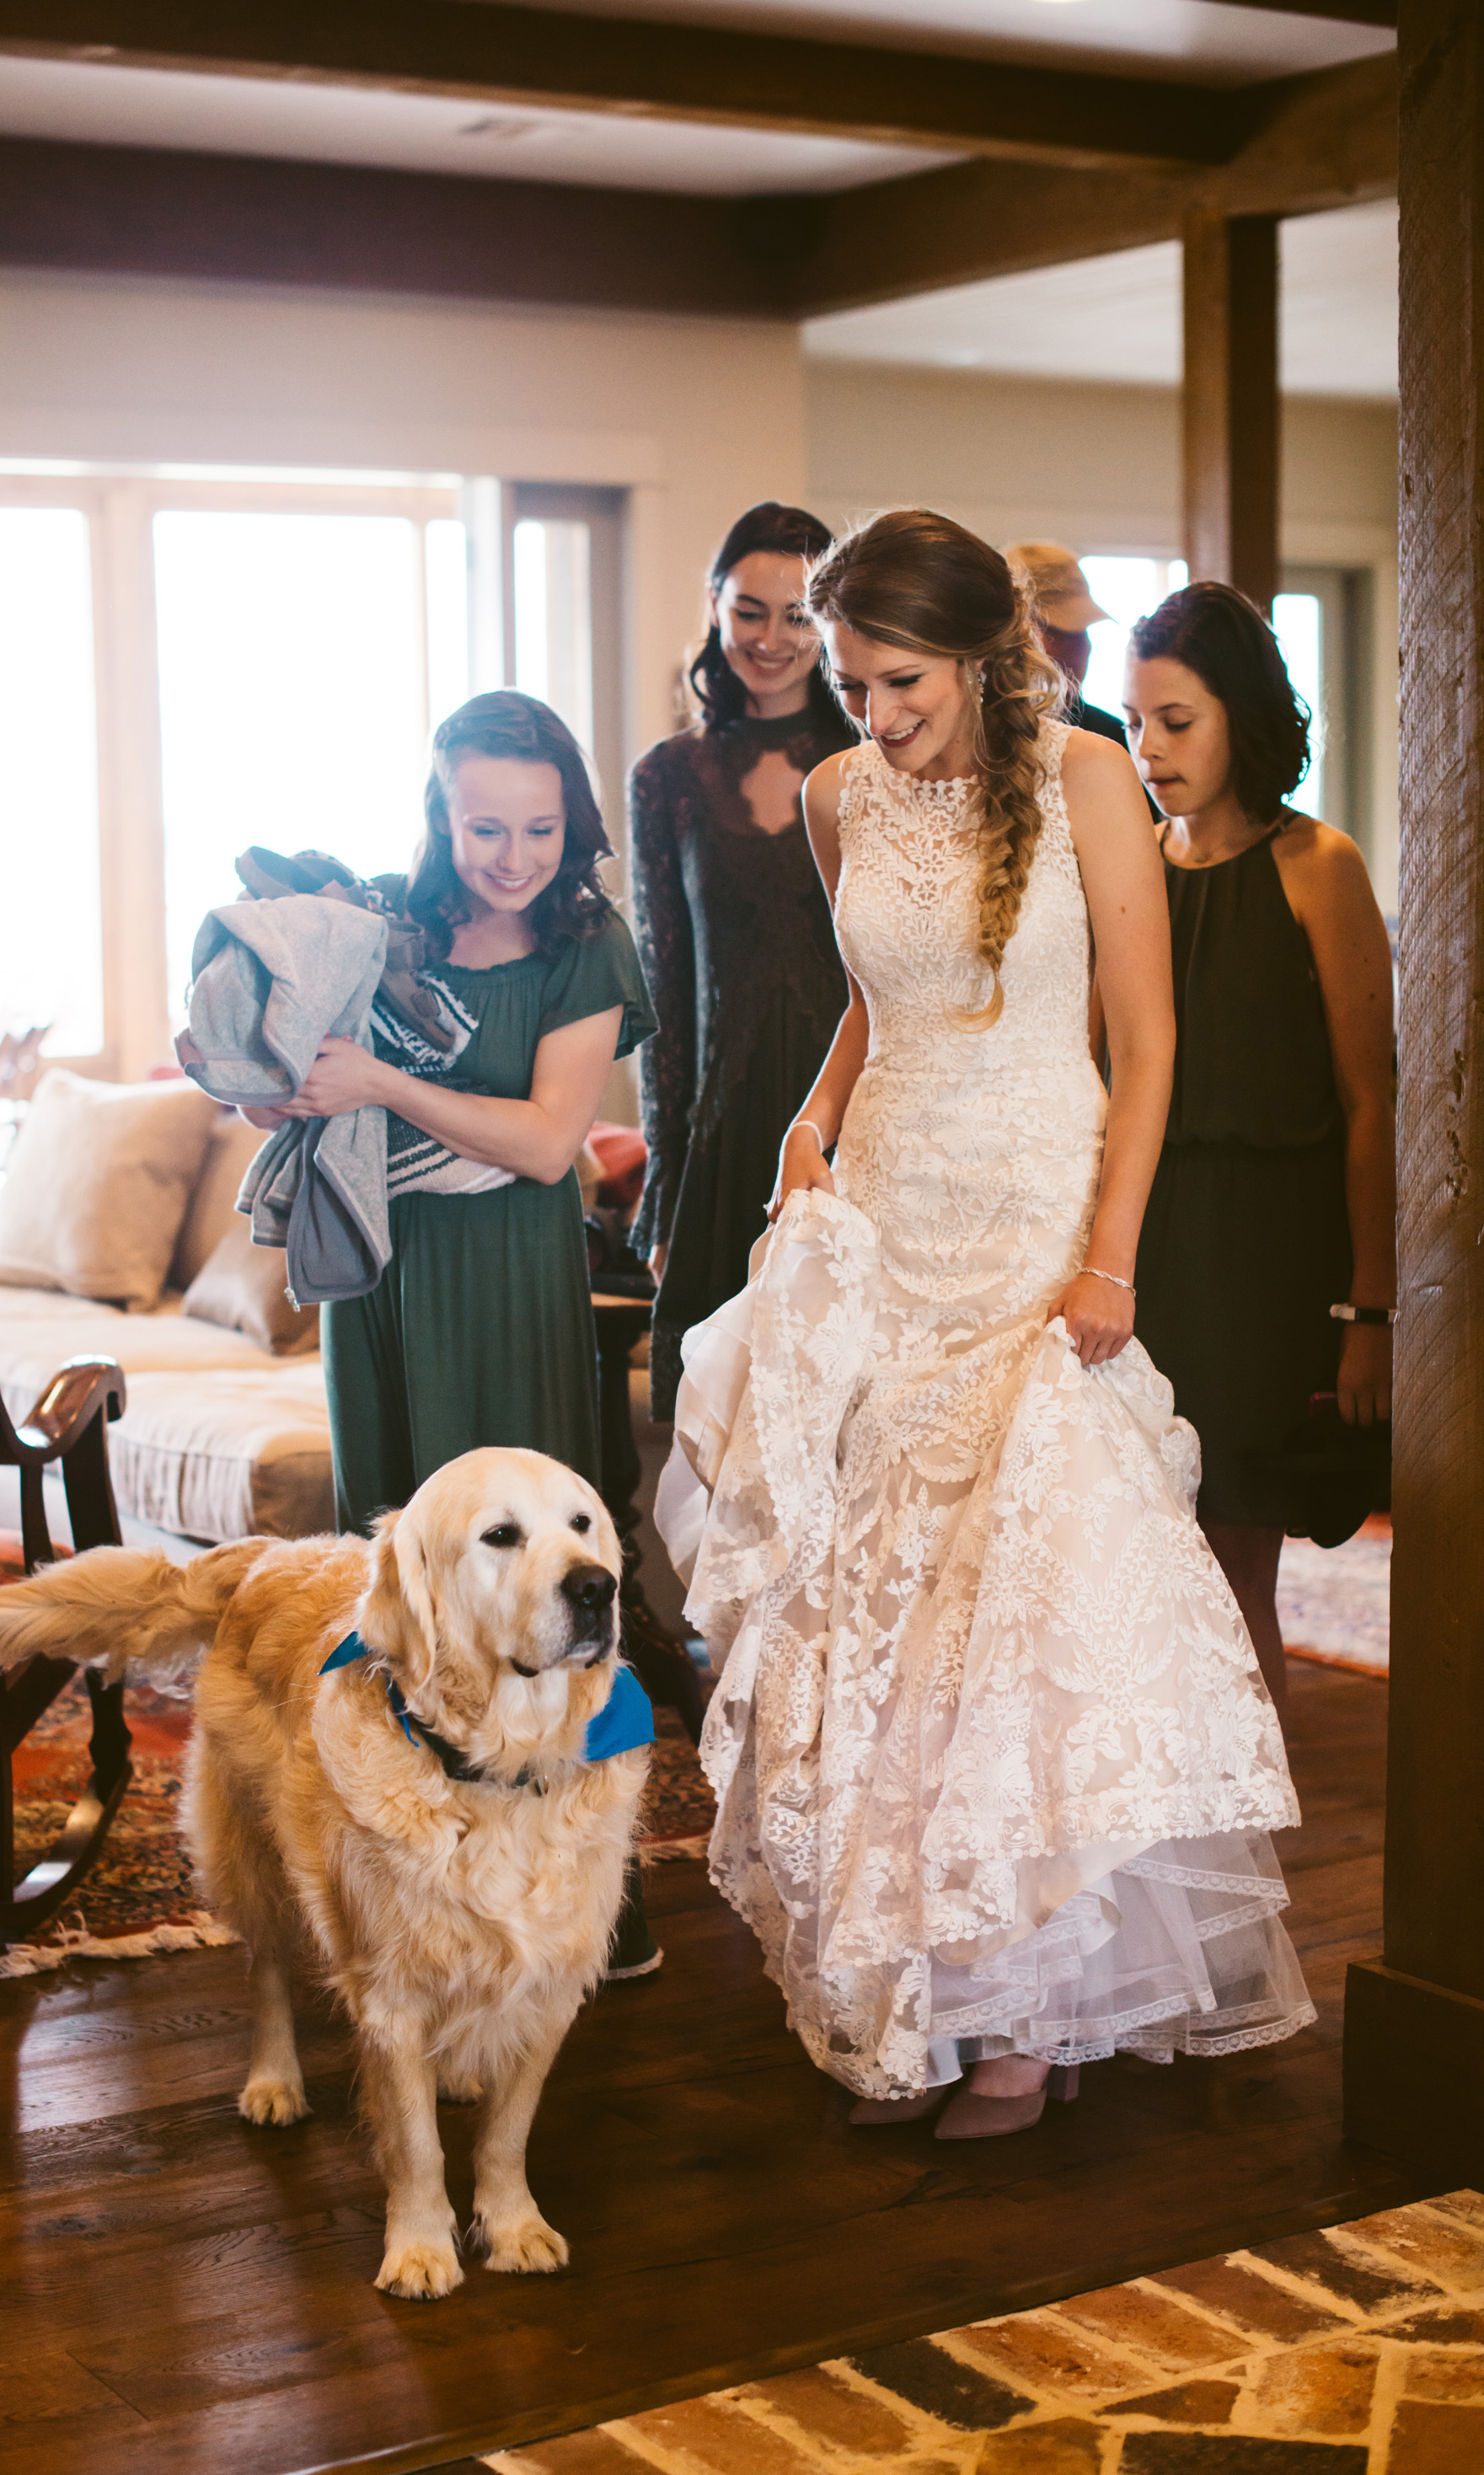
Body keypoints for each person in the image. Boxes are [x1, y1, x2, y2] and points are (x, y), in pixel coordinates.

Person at [658, 509, 1313, 2134]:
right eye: (853, 686)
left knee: (1009, 1614)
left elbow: (1146, 1044)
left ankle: (1029, 2011)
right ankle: (910, 1986)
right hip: (883, 1214)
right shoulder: (833, 795)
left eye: (896, 684)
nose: (870, 718)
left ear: (975, 655)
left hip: (1032, 1222)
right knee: (874, 1611)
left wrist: (1112, 1260)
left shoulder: (1088, 775)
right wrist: (813, 1126)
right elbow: (872, 1017)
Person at [258, 688, 662, 1972]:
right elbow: (279, 1043)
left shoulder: (588, 947)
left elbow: (549, 1142)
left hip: (502, 1275)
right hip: (384, 1271)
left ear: (570, 823)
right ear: (441, 816)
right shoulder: (386, 928)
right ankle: (406, 1876)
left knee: (536, 1580)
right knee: (394, 1565)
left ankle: (598, 1889)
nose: (512, 856)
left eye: (538, 828)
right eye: (485, 826)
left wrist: (375, 1083)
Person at [1122, 582, 1396, 1728]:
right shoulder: (1130, 863)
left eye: (1177, 721)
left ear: (1241, 714)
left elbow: (1372, 1099)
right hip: (1155, 1242)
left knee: (1235, 1566)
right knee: (1146, 1562)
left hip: (1273, 1259)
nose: (1149, 749)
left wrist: (1370, 1312)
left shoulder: (1315, 865)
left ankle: (1244, 1864)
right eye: (1136, 721)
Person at [630, 502, 855, 1419]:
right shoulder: (667, 776)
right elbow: (662, 990)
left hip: (846, 1114)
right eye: (749, 610)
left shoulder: (873, 758)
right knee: (720, 1420)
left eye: (799, 614)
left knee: (841, 1404)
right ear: (714, 608)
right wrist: (665, 1173)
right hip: (724, 1136)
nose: (770, 637)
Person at [1003, 539, 1129, 749]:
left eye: (1082, 631)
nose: (1077, 649)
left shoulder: (1112, 737)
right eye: (1055, 632)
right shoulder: (971, 734)